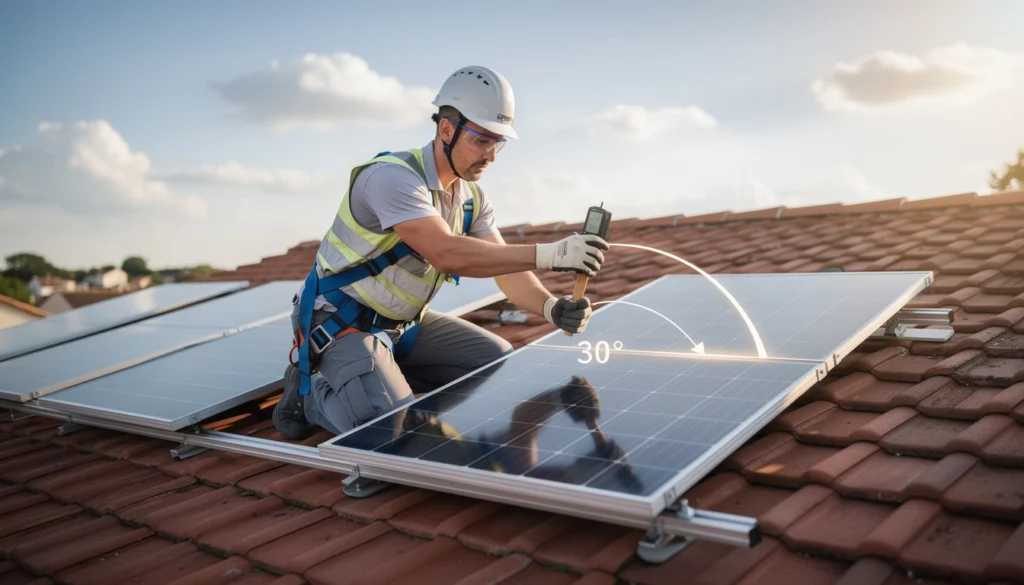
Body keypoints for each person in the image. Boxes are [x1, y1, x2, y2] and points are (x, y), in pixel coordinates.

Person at [275, 65, 609, 440]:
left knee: (499, 364)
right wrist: (553, 253)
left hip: (402, 327)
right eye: (482, 140)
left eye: (499, 142)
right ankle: (315, 396)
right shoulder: (392, 178)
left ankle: (395, 401)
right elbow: (447, 253)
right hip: (341, 322)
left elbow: (502, 266)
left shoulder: (471, 199)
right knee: (387, 433)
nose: (491, 156)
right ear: (447, 130)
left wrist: (551, 307)